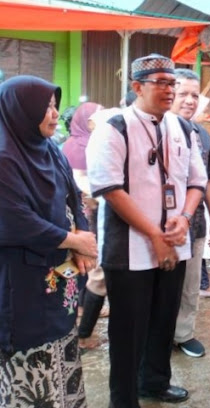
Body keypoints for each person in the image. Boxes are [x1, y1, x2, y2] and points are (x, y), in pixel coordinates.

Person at [86, 54, 207, 407]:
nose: (170, 91)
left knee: (163, 321)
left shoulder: (183, 128)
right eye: (161, 84)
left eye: (173, 84)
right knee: (128, 330)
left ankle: (154, 382)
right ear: (137, 87)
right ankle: (123, 400)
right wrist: (155, 235)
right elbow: (110, 189)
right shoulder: (114, 128)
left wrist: (185, 217)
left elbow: (197, 181)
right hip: (130, 249)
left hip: (175, 242)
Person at [0, 75, 97, 407]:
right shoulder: (5, 158)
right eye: (45, 107)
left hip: (59, 276)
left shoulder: (51, 150)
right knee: (33, 369)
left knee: (64, 340)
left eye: (55, 105)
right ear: (21, 111)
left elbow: (74, 195)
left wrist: (80, 235)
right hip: (22, 283)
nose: (55, 114)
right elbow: (13, 220)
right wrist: (72, 240)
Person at [170, 68, 210, 358]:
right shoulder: (157, 130)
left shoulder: (202, 134)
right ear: (169, 94)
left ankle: (183, 334)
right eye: (183, 94)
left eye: (195, 95)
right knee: (161, 285)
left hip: (195, 225)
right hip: (163, 227)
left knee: (190, 285)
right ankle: (156, 335)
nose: (190, 100)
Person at [61, 102, 111, 351]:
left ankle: (81, 311)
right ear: (84, 120)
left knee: (89, 268)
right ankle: (81, 331)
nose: (99, 121)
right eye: (95, 117)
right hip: (85, 214)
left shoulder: (84, 142)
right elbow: (80, 184)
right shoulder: (79, 147)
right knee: (90, 268)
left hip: (88, 212)